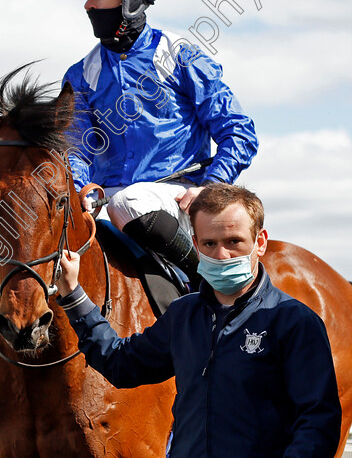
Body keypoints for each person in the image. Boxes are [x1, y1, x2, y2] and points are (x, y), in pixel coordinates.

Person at [56, 183, 341, 457]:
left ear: (260, 242)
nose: (222, 255)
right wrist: (73, 295)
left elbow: (318, 424)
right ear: (194, 244)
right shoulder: (182, 314)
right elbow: (120, 363)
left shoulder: (295, 322)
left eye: (234, 242)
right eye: (209, 243)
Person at [61, 0, 259, 282]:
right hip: (108, 203)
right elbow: (75, 148)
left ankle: (207, 284)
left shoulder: (180, 57)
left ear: (131, 0)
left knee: (129, 201)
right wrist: (81, 187)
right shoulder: (80, 75)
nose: (88, 4)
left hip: (179, 198)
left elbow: (238, 132)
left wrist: (210, 189)